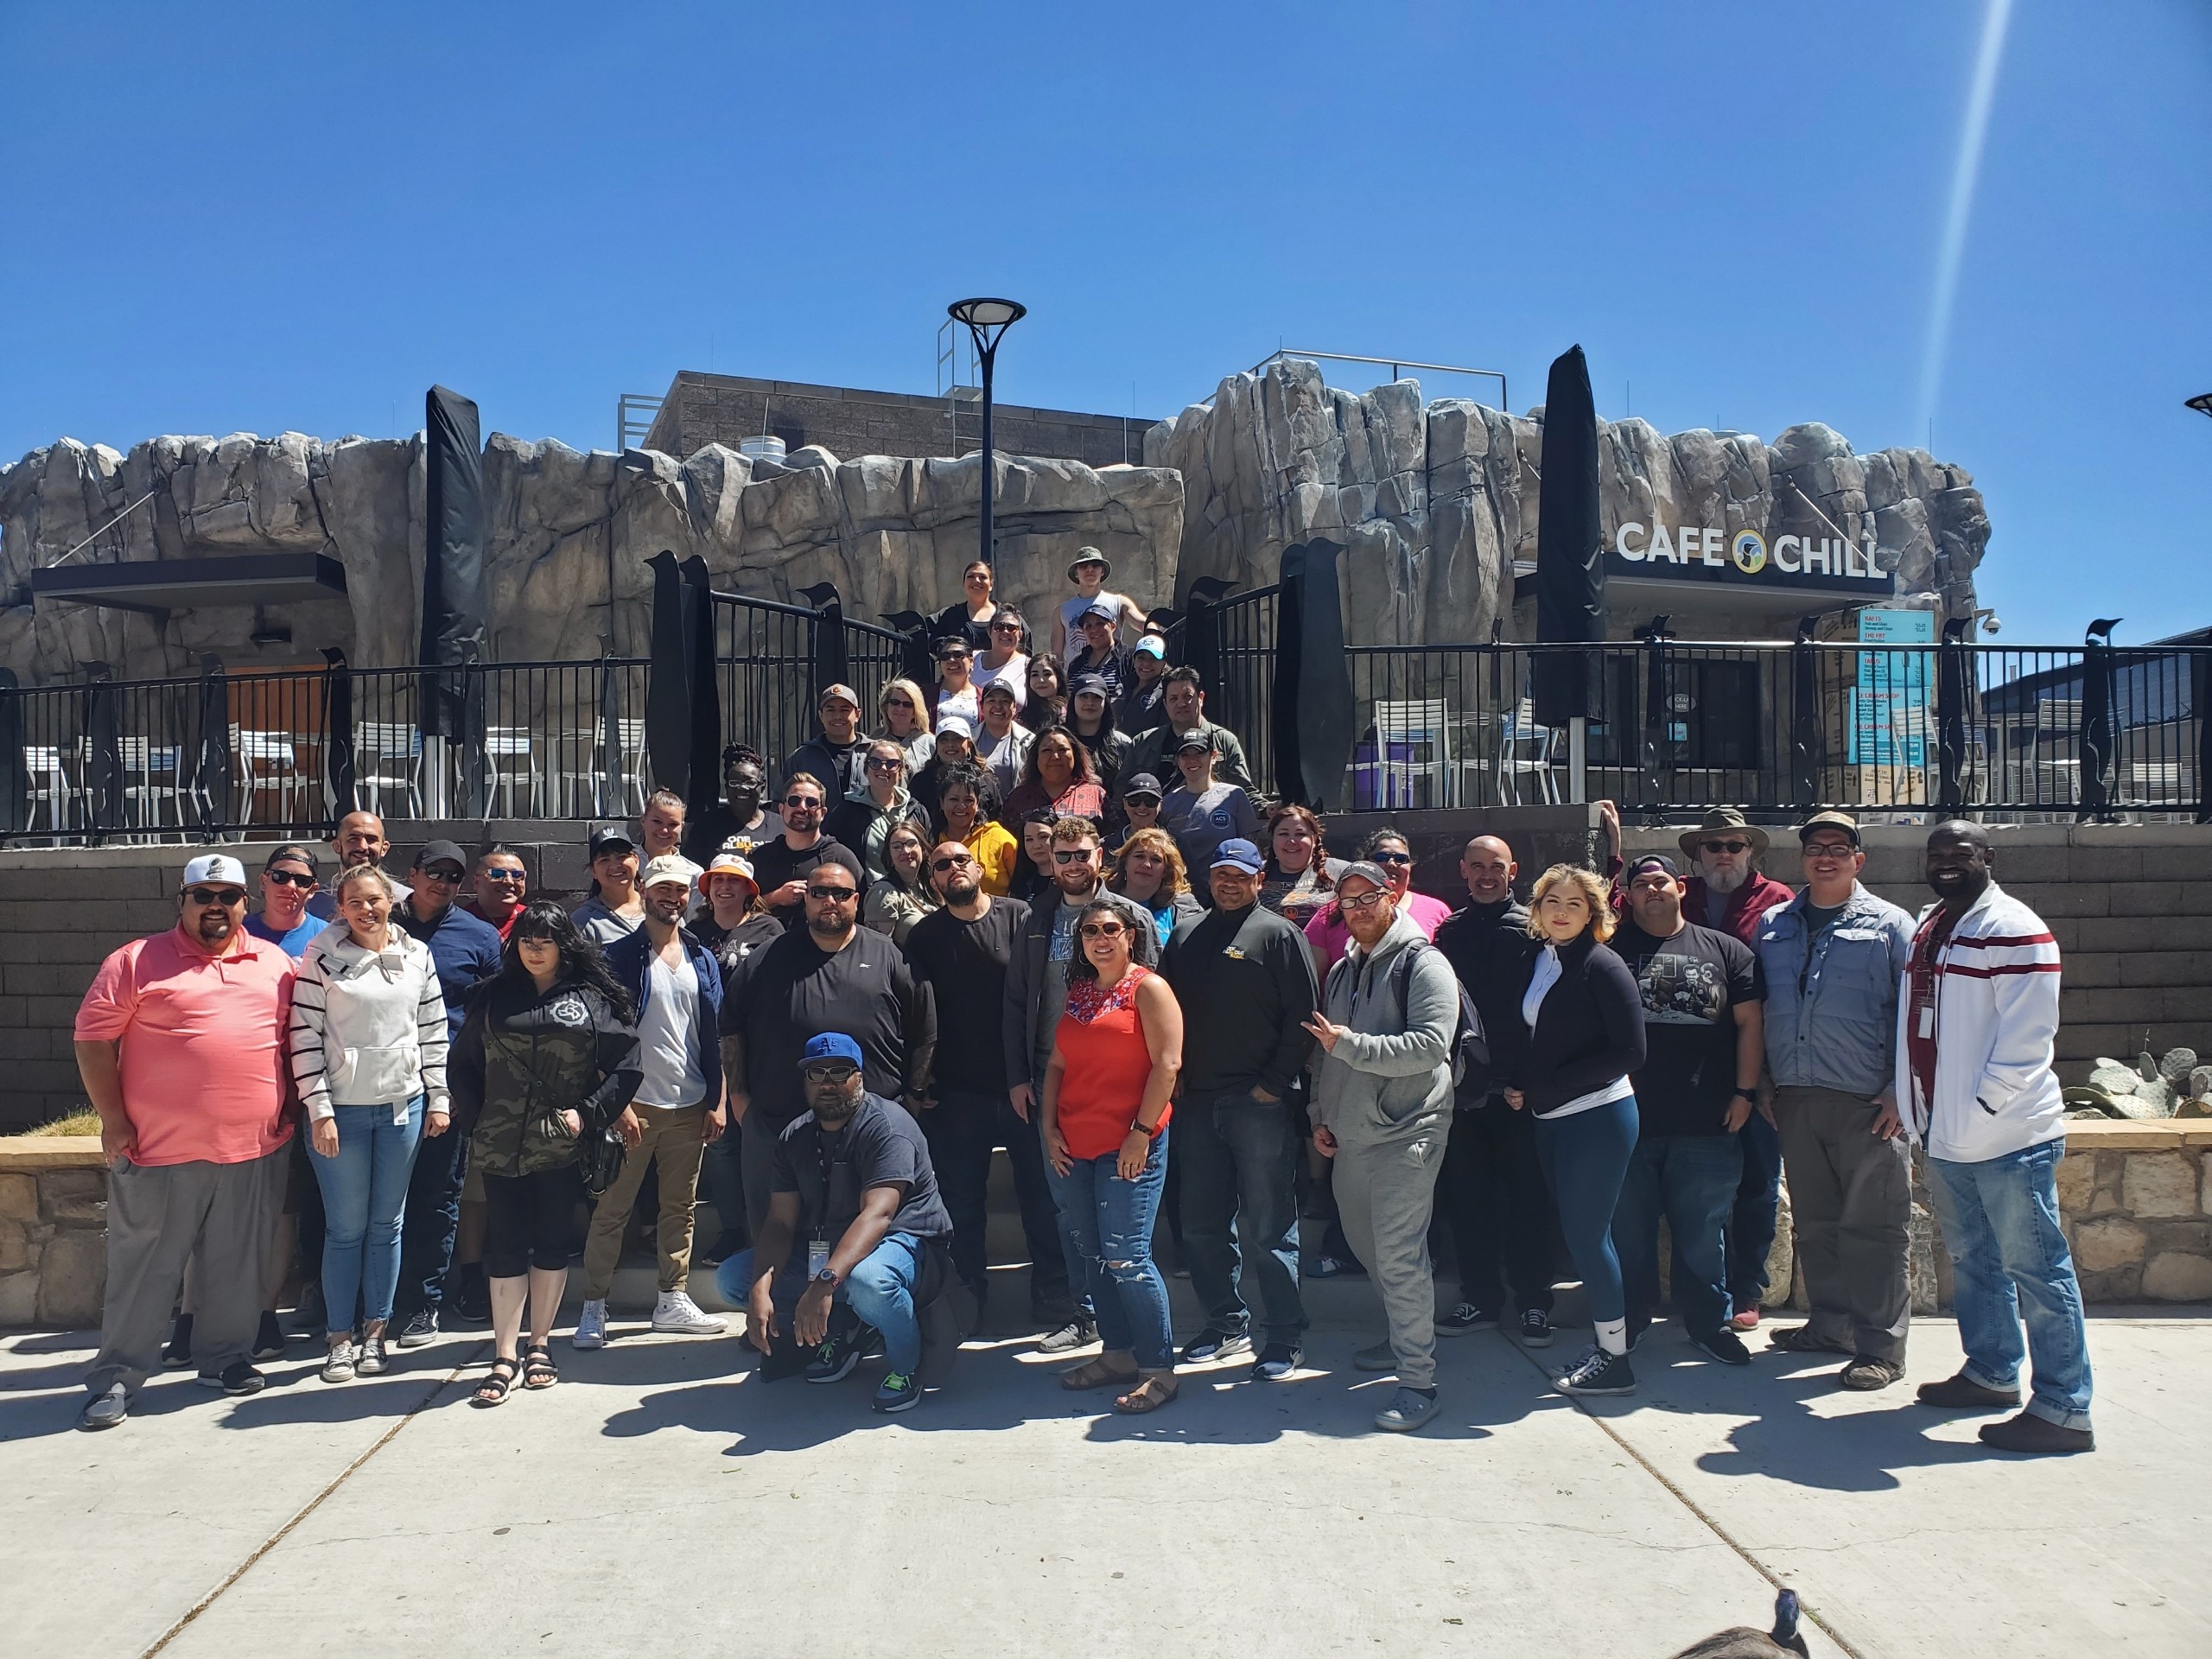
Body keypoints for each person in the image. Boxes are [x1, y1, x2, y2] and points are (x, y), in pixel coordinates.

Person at [74, 855, 298, 1427]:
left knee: (236, 1266)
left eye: (228, 895)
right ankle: (117, 1378)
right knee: (144, 1269)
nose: (216, 905)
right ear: (183, 901)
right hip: (156, 1152)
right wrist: (113, 1118)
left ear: (246, 903)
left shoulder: (275, 963)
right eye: (204, 895)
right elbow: (93, 1040)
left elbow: (294, 1044)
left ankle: (224, 1359)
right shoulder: (135, 961)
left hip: (252, 1149)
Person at [1901, 822, 2091, 1454]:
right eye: (1938, 855)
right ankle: (1991, 1371)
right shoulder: (1933, 925)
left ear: (1989, 858)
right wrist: (1927, 1109)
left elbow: (2029, 1039)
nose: (1948, 863)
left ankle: (2064, 1408)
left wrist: (1982, 1107)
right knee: (1976, 1262)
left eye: (1963, 854)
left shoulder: (2014, 927)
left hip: (2006, 1136)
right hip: (1948, 1132)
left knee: (2036, 1270)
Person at [449, 902, 640, 1404]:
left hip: (559, 1144)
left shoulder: (589, 998)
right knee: (506, 1246)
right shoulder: (493, 997)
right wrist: (474, 1120)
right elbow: (463, 1062)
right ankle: (503, 1355)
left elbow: (627, 1063)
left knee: (553, 1243)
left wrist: (590, 1112)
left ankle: (540, 1346)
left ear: (564, 945)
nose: (536, 948)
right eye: (528, 939)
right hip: (499, 1144)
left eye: (547, 939)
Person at [1753, 810, 1916, 1390]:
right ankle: (1830, 1325)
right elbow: (1763, 1010)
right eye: (1815, 847)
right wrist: (1766, 1081)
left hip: (1869, 1103)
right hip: (1796, 1098)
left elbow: (1914, 1014)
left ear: (1858, 860)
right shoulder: (1774, 925)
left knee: (1874, 1228)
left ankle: (1881, 1348)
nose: (1826, 857)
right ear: (1802, 859)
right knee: (1817, 1224)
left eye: (1839, 848)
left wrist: (1903, 1090)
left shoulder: (1892, 925)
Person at [720, 857, 936, 1275]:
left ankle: (854, 1323)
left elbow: (923, 1030)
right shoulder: (768, 957)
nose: (830, 902)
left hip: (868, 1129)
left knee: (864, 1233)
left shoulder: (889, 955)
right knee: (772, 1228)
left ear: (857, 900)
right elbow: (731, 1027)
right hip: (777, 1121)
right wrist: (740, 1097)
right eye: (820, 893)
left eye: (841, 893)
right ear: (806, 900)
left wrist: (912, 1098)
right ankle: (772, 1325)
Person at [1305, 861, 1460, 1432]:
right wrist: (1321, 1114)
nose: (1359, 908)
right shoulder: (1345, 972)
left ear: (1392, 896)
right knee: (1367, 1246)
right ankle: (1404, 1338)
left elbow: (1427, 1047)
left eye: (1368, 897)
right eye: (1347, 901)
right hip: (1352, 1133)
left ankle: (1418, 1382)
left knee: (1397, 1255)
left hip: (1409, 1130)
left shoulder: (1425, 963)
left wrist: (1351, 1046)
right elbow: (1325, 1052)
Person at [733, 1034, 957, 1414]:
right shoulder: (795, 1135)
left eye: (840, 1072)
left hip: (905, 1246)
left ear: (860, 1078)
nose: (828, 1083)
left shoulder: (888, 1126)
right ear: (805, 1082)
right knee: (734, 1278)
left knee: (868, 1281)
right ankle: (845, 1330)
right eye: (817, 1073)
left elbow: (878, 1215)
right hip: (834, 1249)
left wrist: (823, 1285)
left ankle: (907, 1366)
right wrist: (760, 1288)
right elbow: (781, 1221)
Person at [1160, 838, 1319, 1376]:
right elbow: (1165, 1016)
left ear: (1259, 879)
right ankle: (1226, 1325)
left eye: (1241, 875)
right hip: (1197, 1105)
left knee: (1272, 1226)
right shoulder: (1185, 934)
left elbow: (1304, 1017)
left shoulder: (1279, 935)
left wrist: (1273, 1085)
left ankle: (1284, 1335)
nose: (1230, 883)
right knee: (1202, 1224)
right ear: (1210, 878)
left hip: (1258, 1103)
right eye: (1222, 874)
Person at [1002, 815, 1160, 1352]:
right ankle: (1085, 1315)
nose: (1072, 865)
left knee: (1119, 1226)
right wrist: (1018, 1077)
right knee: (1071, 1215)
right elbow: (1017, 1001)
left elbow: (1156, 1008)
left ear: (1101, 856)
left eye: (1082, 854)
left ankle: (1136, 1337)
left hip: (1120, 1092)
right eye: (1062, 856)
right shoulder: (1033, 918)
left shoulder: (1130, 917)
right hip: (1054, 1084)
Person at [290, 864, 450, 1385]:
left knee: (388, 1227)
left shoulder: (417, 956)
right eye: (354, 901)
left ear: (390, 901)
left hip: (402, 1110)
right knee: (345, 1230)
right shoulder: (321, 958)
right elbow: (305, 1038)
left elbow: (432, 1032)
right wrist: (320, 1109)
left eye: (374, 900)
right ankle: (340, 1341)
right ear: (340, 907)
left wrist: (439, 1097)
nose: (366, 909)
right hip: (343, 1115)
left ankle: (376, 1336)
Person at [902, 843, 1068, 1331]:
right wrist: (919, 1081)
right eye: (941, 866)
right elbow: (915, 1014)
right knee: (962, 1207)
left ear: (979, 868)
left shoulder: (1021, 917)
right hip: (957, 1095)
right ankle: (967, 1309)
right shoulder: (925, 936)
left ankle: (1057, 1303)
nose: (953, 869)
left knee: (1042, 1200)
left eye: (960, 861)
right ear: (932, 881)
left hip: (1028, 1089)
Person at [1610, 855, 1765, 1367]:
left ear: (1680, 887)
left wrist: (1745, 1094)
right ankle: (1629, 1322)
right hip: (1625, 1123)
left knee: (1702, 1238)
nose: (1652, 890)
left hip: (1708, 1122)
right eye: (1641, 885)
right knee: (1628, 1235)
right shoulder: (1607, 951)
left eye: (1660, 882)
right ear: (1628, 896)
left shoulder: (1727, 950)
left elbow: (1749, 1025)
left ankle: (1707, 1324)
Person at [1501, 863, 1645, 1398]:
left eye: (1574, 905)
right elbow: (1538, 1039)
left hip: (1599, 1116)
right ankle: (1610, 1346)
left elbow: (1631, 1052)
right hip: (1550, 1118)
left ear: (1594, 913)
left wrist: (1550, 1089)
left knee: (1589, 1238)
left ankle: (1616, 1359)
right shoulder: (1541, 958)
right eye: (1551, 903)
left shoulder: (1603, 966)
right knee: (1582, 1234)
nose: (1561, 913)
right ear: (1536, 911)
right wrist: (1521, 1084)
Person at [575, 855, 728, 1347]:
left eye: (681, 890)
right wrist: (616, 1105)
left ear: (690, 895)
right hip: (634, 1107)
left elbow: (713, 1037)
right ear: (644, 890)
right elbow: (595, 1037)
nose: (672, 897)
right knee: (613, 1209)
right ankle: (593, 1304)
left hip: (689, 1104)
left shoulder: (702, 957)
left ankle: (672, 1298)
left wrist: (717, 1100)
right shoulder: (617, 957)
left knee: (679, 1206)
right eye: (662, 888)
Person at [1041, 899, 1183, 1414]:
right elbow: (1057, 1063)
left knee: (1127, 1255)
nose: (1100, 939)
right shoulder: (1079, 993)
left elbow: (1167, 1066)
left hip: (1130, 1143)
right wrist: (1047, 1125)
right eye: (1089, 932)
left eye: (1110, 929)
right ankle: (1118, 1354)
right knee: (1093, 1253)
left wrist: (1140, 1133)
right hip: (1074, 1144)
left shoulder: (1149, 988)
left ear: (1131, 935)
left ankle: (1158, 1368)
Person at [1672, 805, 1795, 1332]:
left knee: (1757, 1181)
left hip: (1758, 1067)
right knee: (1695, 1188)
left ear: (1750, 851)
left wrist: (1765, 1074)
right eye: (1713, 846)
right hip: (1691, 1070)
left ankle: (1747, 1287)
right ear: (1697, 854)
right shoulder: (1678, 895)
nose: (1724, 855)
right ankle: (1704, 1289)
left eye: (1734, 846)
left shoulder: (1780, 903)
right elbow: (1612, 910)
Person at [1431, 834, 1554, 1345]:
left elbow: (1548, 1013)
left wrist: (1528, 1079)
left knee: (1530, 1200)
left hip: (1521, 1093)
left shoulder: (1534, 929)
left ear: (1514, 870)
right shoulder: (1449, 934)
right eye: (1477, 866)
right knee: (1469, 1200)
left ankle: (1534, 1304)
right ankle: (1479, 1297)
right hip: (1463, 1094)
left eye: (1496, 867)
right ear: (1463, 870)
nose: (1486, 875)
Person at [389, 840, 504, 1349]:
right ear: (411, 874)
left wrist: (469, 1086)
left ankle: (423, 1304)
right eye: (433, 872)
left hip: (448, 1088)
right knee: (381, 1202)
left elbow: (488, 1019)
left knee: (438, 1198)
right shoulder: (378, 926)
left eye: (453, 877)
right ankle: (374, 1304)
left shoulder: (479, 936)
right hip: (379, 1082)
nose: (442, 883)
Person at [694, 846, 782, 1262]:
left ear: (750, 890)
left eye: (734, 881)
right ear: (708, 890)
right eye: (719, 881)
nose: (725, 887)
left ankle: (770, 1230)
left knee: (762, 1141)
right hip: (705, 1050)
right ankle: (734, 1230)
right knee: (722, 1144)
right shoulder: (693, 934)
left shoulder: (769, 931)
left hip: (758, 1049)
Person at [1304, 829, 1452, 971]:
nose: (1391, 864)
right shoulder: (1329, 914)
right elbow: (1310, 978)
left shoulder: (1438, 910)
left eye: (1401, 859)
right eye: (1382, 858)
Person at [751, 772, 865, 930]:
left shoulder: (841, 858)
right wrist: (775, 898)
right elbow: (741, 911)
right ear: (782, 809)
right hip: (768, 949)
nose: (802, 807)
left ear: (823, 813)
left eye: (811, 802)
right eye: (794, 800)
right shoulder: (760, 857)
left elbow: (861, 911)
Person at [1160, 732, 1262, 898]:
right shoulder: (1167, 803)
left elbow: (1251, 846)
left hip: (1228, 891)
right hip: (1183, 894)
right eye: (1185, 755)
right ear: (1178, 762)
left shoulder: (1234, 796)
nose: (1192, 760)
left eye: (1199, 753)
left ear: (1213, 756)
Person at [1122, 666, 1255, 791]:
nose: (1181, 704)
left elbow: (1245, 791)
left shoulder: (1225, 741)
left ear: (1201, 698)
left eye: (1188, 697)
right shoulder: (1143, 743)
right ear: (1165, 704)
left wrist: (1266, 810)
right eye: (1173, 699)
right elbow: (1122, 790)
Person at [826, 738, 931, 883]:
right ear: (866, 769)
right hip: (870, 898)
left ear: (901, 771)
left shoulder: (916, 810)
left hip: (915, 897)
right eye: (875, 763)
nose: (883, 768)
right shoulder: (847, 811)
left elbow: (929, 855)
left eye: (892, 764)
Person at [683, 745, 783, 865]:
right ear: (726, 787)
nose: (742, 788)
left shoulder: (781, 826)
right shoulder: (705, 826)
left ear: (762, 788)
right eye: (735, 783)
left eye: (750, 782)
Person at [1107, 825, 1200, 950]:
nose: (1146, 865)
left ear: (1166, 871)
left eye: (1156, 860)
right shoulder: (1102, 900)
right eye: (1139, 856)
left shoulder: (1183, 907)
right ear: (1125, 863)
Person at [307, 810, 411, 920]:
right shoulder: (315, 901)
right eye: (353, 839)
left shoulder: (404, 899)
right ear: (337, 846)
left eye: (371, 839)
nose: (362, 846)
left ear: (384, 848)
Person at [1001, 723, 1108, 827]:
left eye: (1063, 750)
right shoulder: (1018, 798)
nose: (1055, 756)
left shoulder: (1096, 795)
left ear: (1075, 755)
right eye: (1047, 750)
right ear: (1035, 757)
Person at [1257, 804, 1344, 930]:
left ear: (1314, 839)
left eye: (1300, 834)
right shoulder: (1254, 873)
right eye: (1283, 834)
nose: (1292, 841)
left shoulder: (1342, 871)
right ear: (1273, 838)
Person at [934, 765, 1017, 895]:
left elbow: (1022, 886)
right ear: (942, 803)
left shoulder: (1000, 839)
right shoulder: (934, 844)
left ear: (977, 804)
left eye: (968, 800)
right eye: (954, 799)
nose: (961, 806)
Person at [1052, 548, 1147, 658]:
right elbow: (1057, 654)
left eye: (1095, 564)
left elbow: (1143, 624)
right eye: (1084, 565)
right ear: (1076, 573)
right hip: (1076, 673)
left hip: (1113, 672)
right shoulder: (1061, 610)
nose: (1090, 569)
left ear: (1102, 571)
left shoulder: (1119, 602)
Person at [785, 683, 873, 801]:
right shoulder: (802, 757)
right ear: (821, 716)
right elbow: (781, 801)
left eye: (844, 710)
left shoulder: (875, 753)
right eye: (831, 710)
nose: (838, 716)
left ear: (857, 715)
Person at [862, 821, 940, 944]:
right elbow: (877, 949)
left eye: (911, 843)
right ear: (889, 855)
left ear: (923, 849)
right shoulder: (884, 893)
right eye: (897, 846)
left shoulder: (932, 885)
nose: (905, 851)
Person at [571, 824, 645, 945]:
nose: (615, 865)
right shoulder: (582, 921)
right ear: (593, 870)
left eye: (622, 857)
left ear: (636, 861)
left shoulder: (658, 906)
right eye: (605, 860)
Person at [246, 843, 324, 955]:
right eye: (280, 876)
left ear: (312, 890)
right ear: (263, 882)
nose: (290, 886)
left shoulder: (328, 937)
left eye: (302, 881)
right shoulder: (237, 934)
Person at [1067, 673, 1132, 796]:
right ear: (1073, 700)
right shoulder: (1059, 741)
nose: (1090, 702)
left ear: (1106, 702)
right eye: (1083, 696)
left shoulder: (1123, 744)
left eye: (1097, 697)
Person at [912, 710, 979, 825]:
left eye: (957, 738)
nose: (950, 744)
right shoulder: (921, 782)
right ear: (937, 746)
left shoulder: (984, 781)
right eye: (944, 739)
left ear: (969, 745)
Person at [976, 678, 1033, 798]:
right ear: (981, 707)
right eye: (991, 701)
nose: (998, 706)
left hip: (1016, 811)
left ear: (1015, 707)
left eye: (1005, 701)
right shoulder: (969, 739)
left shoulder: (1029, 741)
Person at [1066, 601, 1134, 698]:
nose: (1094, 629)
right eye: (1088, 626)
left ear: (1113, 626)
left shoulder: (1129, 658)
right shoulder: (1076, 663)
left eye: (1100, 623)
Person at [463, 844, 531, 940]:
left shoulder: (534, 921)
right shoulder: (461, 924)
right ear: (476, 882)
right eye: (497, 874)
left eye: (517, 875)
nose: (509, 881)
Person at [934, 559, 1001, 652]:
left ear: (991, 585)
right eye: (971, 576)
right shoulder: (950, 616)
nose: (977, 580)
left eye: (983, 577)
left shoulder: (1007, 617)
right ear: (964, 584)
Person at [973, 606, 1030, 710]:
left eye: (1012, 628)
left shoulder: (1028, 667)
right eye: (999, 627)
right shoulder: (972, 660)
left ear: (1020, 635)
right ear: (989, 631)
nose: (1005, 631)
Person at [876, 677, 938, 772]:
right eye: (895, 702)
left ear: (915, 711)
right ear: (886, 707)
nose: (900, 708)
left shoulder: (930, 743)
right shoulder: (873, 741)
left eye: (907, 704)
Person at [1116, 633, 1171, 734]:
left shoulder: (1167, 691)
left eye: (1153, 658)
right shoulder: (1122, 686)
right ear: (1134, 660)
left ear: (1163, 662)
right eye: (1141, 658)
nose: (1146, 663)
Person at [1008, 806, 1061, 904]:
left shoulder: (1071, 881)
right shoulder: (1020, 886)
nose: (1036, 846)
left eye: (1043, 837)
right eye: (1029, 839)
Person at [1106, 771, 1164, 855]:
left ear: (1160, 805)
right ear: (1125, 804)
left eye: (1150, 801)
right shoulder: (1106, 845)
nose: (1142, 807)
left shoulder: (1173, 845)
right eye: (1134, 801)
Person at [931, 641, 981, 731]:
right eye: (945, 656)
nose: (952, 660)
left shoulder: (985, 696)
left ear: (971, 661)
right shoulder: (926, 695)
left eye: (958, 654)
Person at [1019, 653, 1069, 732]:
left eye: (1047, 674)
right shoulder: (1021, 720)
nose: (1041, 680)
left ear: (1059, 680)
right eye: (1035, 675)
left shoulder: (1071, 714)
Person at [639, 789, 688, 862]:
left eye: (673, 824)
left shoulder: (693, 872)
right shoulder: (622, 867)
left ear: (682, 827)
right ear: (643, 821)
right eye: (657, 822)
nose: (664, 830)